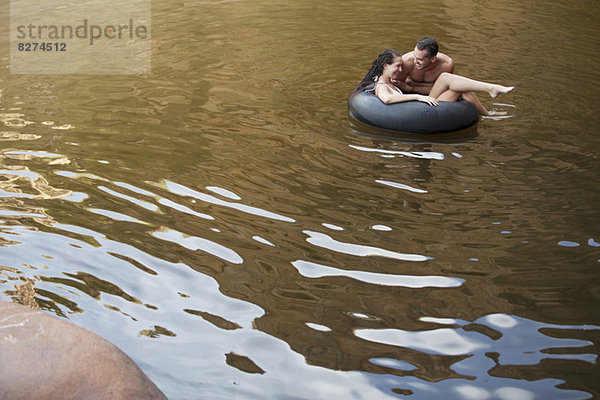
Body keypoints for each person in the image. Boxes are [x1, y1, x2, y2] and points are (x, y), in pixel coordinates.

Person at [353, 49, 513, 111]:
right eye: (397, 66)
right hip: (422, 110)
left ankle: (490, 94)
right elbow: (387, 99)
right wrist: (418, 97)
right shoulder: (381, 85)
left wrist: (413, 91)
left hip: (424, 105)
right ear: (385, 66)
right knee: (456, 86)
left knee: (450, 81)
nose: (401, 70)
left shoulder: (390, 81)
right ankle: (488, 106)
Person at [392, 38, 501, 116]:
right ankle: (488, 112)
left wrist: (412, 86)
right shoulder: (406, 62)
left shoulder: (446, 64)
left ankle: (488, 113)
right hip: (412, 102)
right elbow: (398, 87)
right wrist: (418, 89)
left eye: (420, 59)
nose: (415, 61)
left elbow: (442, 88)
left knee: (460, 88)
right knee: (459, 87)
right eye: (414, 57)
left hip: (434, 99)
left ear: (433, 59)